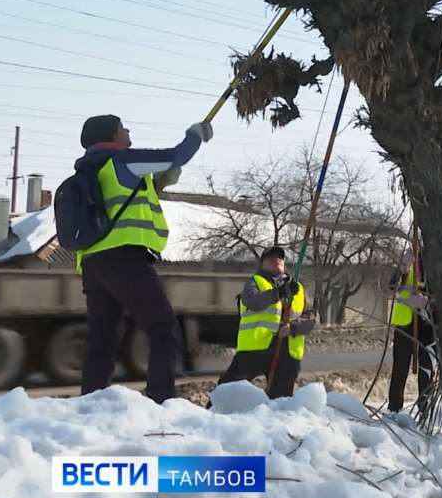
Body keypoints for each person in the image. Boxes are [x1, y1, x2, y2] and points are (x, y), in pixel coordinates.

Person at [77, 114, 211, 403]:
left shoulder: (91, 168)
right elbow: (176, 155)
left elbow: (122, 201)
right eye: (123, 127)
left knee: (103, 339)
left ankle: (90, 402)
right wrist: (195, 135)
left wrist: (159, 183)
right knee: (163, 328)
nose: (128, 130)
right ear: (112, 135)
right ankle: (160, 399)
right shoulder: (123, 159)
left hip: (92, 264)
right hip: (125, 258)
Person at [215, 246, 317, 398]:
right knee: (228, 389)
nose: (277, 260)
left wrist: (292, 328)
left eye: (280, 257)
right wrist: (280, 292)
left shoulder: (298, 288)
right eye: (271, 257)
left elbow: (312, 317)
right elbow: (253, 302)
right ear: (262, 263)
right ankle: (212, 410)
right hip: (255, 349)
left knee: (281, 399)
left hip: (286, 351)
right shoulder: (254, 282)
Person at [387, 250, 436, 417]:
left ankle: (425, 410)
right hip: (404, 323)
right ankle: (394, 410)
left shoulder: (437, 260)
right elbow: (392, 287)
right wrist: (402, 269)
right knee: (400, 369)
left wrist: (427, 302)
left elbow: (440, 296)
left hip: (426, 325)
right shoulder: (410, 258)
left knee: (426, 369)